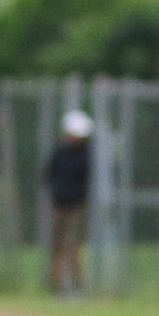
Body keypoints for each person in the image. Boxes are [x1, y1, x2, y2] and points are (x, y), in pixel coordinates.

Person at [45, 110, 93, 297]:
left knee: (72, 246)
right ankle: (54, 284)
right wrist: (57, 192)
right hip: (60, 205)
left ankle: (75, 284)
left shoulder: (86, 156)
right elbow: (49, 175)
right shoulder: (60, 153)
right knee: (56, 246)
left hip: (77, 207)